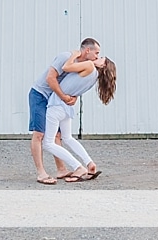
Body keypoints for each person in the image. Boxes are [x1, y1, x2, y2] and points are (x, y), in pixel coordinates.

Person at [29, 38, 101, 185]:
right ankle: (41, 173)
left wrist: (73, 97)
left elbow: (73, 83)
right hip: (40, 95)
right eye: (96, 53)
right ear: (87, 50)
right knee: (39, 135)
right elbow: (50, 78)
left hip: (55, 100)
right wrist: (63, 96)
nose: (97, 57)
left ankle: (61, 169)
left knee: (59, 136)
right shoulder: (65, 57)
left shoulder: (81, 64)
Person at [42, 50, 117, 183]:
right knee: (67, 138)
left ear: (103, 65)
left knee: (48, 143)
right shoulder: (94, 78)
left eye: (101, 58)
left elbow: (66, 67)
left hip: (57, 105)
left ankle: (78, 167)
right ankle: (90, 164)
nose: (97, 57)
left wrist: (74, 55)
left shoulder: (89, 65)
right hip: (67, 107)